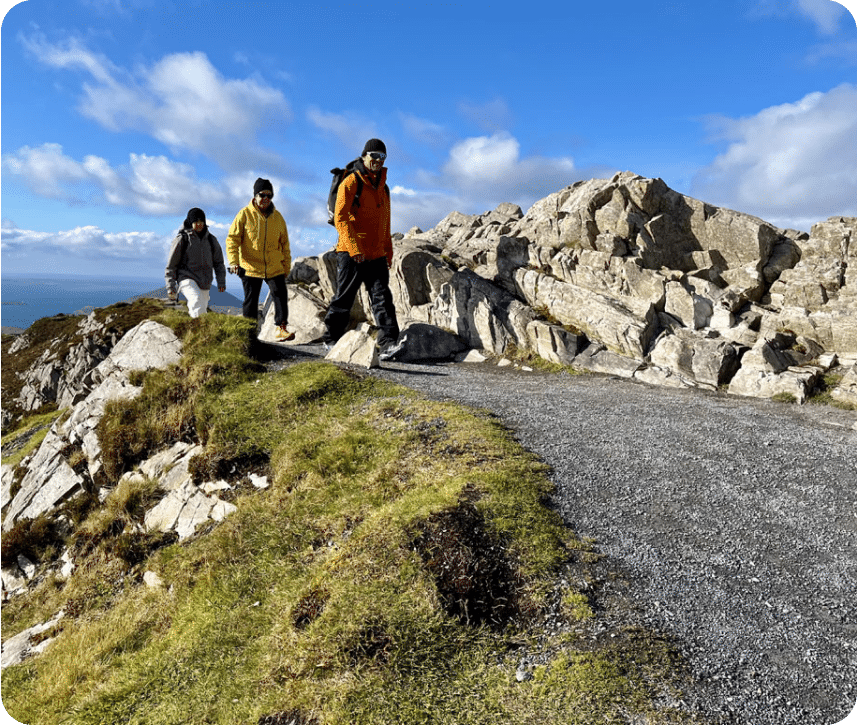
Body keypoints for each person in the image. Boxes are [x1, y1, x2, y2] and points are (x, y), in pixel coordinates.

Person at [323, 139, 402, 360]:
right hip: (351, 252)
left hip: (376, 253)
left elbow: (385, 222)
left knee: (382, 298)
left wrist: (388, 250)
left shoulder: (383, 187)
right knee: (345, 297)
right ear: (364, 156)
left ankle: (388, 343)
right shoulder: (351, 182)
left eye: (382, 157)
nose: (377, 160)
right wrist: (354, 247)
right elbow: (341, 218)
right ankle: (331, 339)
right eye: (374, 155)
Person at [226, 178, 294, 341]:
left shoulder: (278, 217)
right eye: (262, 195)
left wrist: (286, 266)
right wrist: (234, 261)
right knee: (250, 301)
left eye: (269, 196)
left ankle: (281, 329)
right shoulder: (244, 214)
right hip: (250, 266)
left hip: (273, 265)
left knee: (280, 294)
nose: (266, 199)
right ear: (255, 196)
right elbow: (232, 239)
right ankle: (249, 335)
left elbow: (285, 244)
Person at [165, 207, 226, 318]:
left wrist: (221, 281)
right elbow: (171, 265)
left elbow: (219, 263)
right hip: (186, 278)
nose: (199, 224)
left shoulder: (211, 240)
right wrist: (171, 287)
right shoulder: (182, 239)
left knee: (202, 307)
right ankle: (201, 330)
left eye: (201, 221)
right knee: (196, 301)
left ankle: (196, 330)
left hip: (205, 281)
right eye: (195, 222)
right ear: (190, 222)